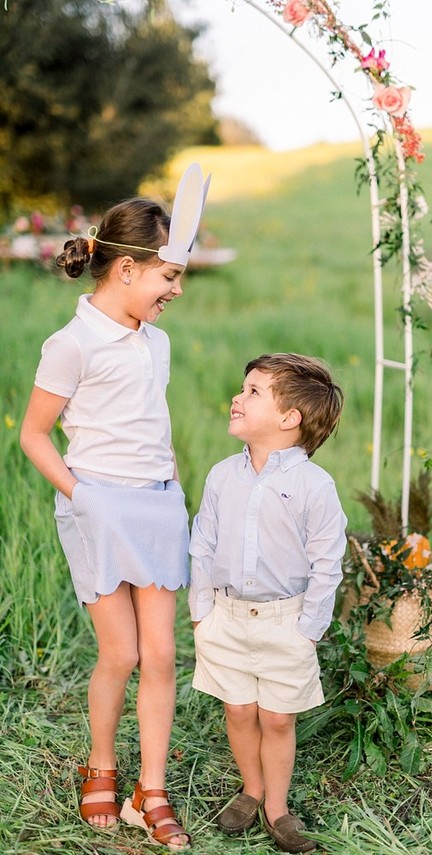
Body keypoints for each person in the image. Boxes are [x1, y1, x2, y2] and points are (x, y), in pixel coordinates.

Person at [20, 164, 210, 851]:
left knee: (162, 653)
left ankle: (148, 790)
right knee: (122, 652)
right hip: (98, 508)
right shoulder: (71, 345)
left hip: (157, 506)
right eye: (169, 276)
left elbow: (151, 429)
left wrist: (174, 490)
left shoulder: (154, 342)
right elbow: (33, 434)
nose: (176, 290)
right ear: (126, 270)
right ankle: (100, 762)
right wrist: (84, 496)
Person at [189, 353, 347, 854]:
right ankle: (251, 789)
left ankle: (277, 808)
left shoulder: (313, 486)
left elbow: (328, 562)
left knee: (277, 717)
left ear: (289, 418)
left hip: (286, 619)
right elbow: (202, 544)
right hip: (227, 615)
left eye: (253, 391)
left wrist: (309, 628)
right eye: (243, 387)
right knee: (238, 709)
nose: (238, 396)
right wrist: (201, 611)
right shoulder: (222, 477)